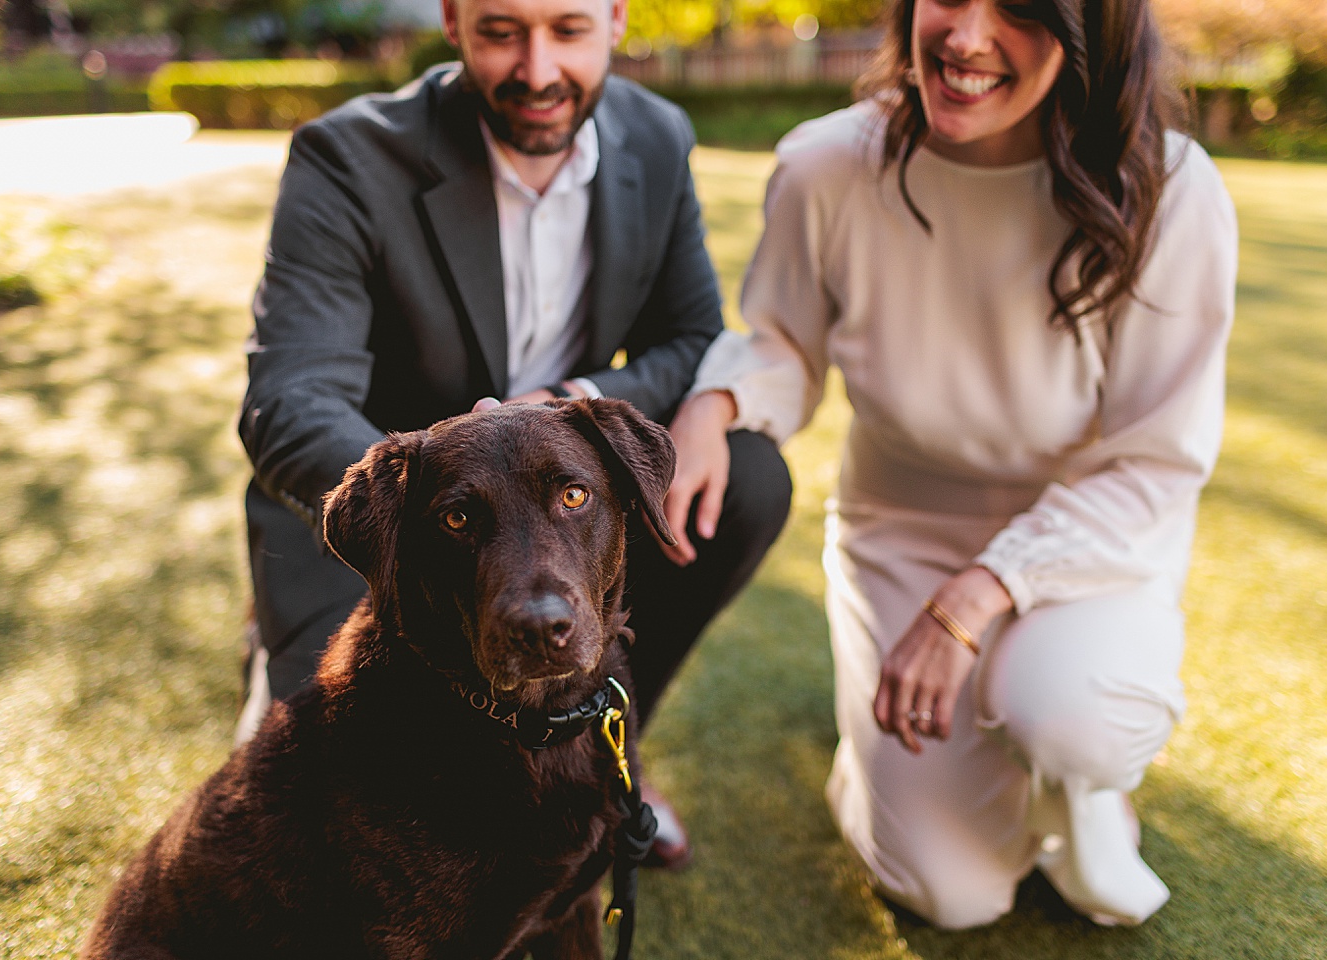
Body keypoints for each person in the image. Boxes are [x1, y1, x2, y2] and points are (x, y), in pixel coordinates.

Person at [665, 0, 1237, 929]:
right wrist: (714, 402)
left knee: (1071, 715)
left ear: (1092, 29)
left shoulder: (1172, 190)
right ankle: (881, 760)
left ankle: (1075, 783)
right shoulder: (826, 164)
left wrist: (979, 593)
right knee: (951, 893)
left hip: (1084, 547)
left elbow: (1154, 465)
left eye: (1018, 7)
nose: (966, 37)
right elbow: (781, 344)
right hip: (904, 533)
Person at [235, 0, 791, 870]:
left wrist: (567, 402)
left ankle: (596, 756)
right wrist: (416, 502)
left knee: (748, 477)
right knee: (335, 821)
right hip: (393, 535)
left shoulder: (656, 135)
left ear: (615, 19)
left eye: (567, 30)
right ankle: (273, 664)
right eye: (502, 32)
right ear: (454, 22)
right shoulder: (346, 156)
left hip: (559, 515)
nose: (537, 70)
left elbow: (688, 338)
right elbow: (290, 398)